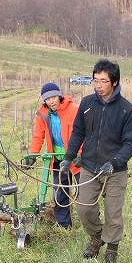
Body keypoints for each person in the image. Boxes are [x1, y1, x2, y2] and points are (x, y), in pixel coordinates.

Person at [60, 59, 132, 263]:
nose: (98, 86)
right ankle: (96, 237)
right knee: (84, 208)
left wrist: (114, 162)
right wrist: (69, 157)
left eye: (103, 81)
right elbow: (78, 132)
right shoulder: (86, 104)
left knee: (113, 211)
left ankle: (112, 247)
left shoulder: (126, 110)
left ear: (114, 82)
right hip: (89, 166)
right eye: (95, 80)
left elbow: (130, 142)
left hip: (115, 170)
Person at [25, 82, 80, 228]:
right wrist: (33, 155)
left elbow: (83, 133)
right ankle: (64, 225)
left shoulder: (73, 110)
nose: (51, 101)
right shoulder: (42, 114)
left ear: (59, 96)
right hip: (57, 159)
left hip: (76, 158)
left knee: (85, 192)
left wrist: (80, 153)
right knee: (60, 192)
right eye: (48, 99)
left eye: (54, 97)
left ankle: (90, 222)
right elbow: (38, 136)